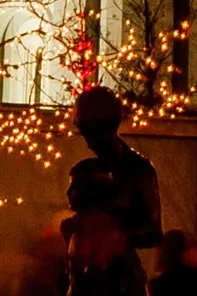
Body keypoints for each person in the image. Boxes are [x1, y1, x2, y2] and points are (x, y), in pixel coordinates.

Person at [64, 85, 165, 295]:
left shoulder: (138, 169)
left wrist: (115, 235)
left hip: (120, 280)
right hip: (86, 277)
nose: (88, 140)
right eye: (83, 129)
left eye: (89, 130)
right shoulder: (84, 170)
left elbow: (153, 232)